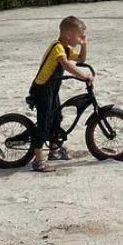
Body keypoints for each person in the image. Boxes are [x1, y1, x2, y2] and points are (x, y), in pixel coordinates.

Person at [28, 16, 94, 173]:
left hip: (51, 88)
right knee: (44, 121)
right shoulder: (58, 48)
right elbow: (67, 65)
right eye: (78, 36)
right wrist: (84, 76)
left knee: (57, 117)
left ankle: (54, 150)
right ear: (68, 35)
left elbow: (81, 59)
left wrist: (84, 44)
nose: (80, 39)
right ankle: (38, 160)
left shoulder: (65, 48)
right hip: (42, 88)